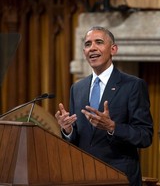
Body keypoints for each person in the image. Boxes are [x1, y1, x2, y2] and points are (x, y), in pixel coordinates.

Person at [55, 26, 153, 186]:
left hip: (119, 176)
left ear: (113, 49)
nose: (92, 48)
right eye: (87, 44)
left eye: (99, 42)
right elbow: (77, 139)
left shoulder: (133, 85)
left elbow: (145, 136)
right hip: (83, 175)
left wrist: (112, 127)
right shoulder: (77, 88)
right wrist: (68, 130)